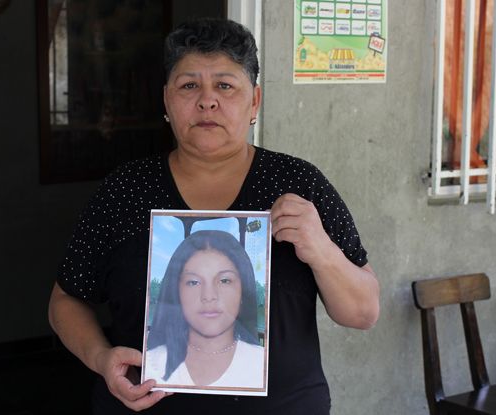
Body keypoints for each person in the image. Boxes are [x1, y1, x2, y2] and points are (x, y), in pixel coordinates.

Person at [48, 17, 380, 414]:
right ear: (167, 101)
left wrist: (322, 251)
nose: (207, 101)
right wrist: (101, 358)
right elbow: (65, 301)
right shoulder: (126, 190)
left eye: (225, 85)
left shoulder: (298, 184)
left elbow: (363, 312)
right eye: (189, 86)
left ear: (254, 100)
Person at [144, 230, 265, 389]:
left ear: (243, 291)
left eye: (224, 280)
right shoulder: (150, 363)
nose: (209, 296)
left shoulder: (262, 363)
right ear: (176, 292)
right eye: (193, 282)